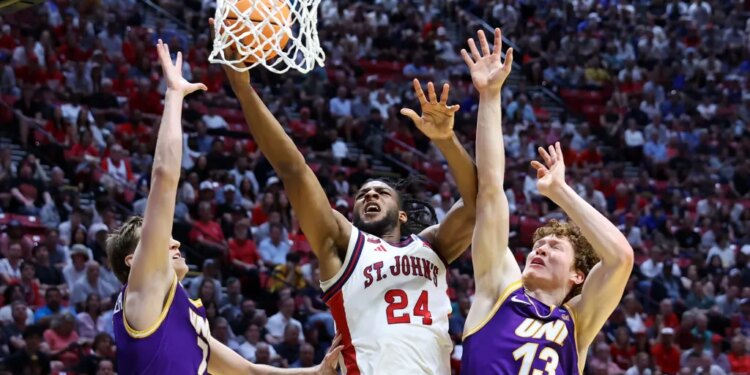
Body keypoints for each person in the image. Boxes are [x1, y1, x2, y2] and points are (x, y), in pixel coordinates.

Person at [219, 19, 478, 372]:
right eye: (362, 194)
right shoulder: (342, 244)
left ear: (402, 215)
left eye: (381, 192)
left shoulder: (432, 246)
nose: (370, 195)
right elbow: (294, 171)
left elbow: (480, 203)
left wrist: (446, 141)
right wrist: (243, 89)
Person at [106, 40, 340, 375]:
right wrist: (174, 95)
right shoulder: (144, 286)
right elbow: (163, 177)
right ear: (133, 260)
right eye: (160, 240)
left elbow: (247, 371)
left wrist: (317, 373)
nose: (173, 242)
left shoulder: (183, 315)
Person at [459, 29, 635, 374]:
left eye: (554, 247)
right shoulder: (498, 290)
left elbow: (621, 259)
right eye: (539, 245)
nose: (539, 249)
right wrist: (490, 95)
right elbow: (492, 191)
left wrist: (560, 192)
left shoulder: (577, 324)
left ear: (577, 275)